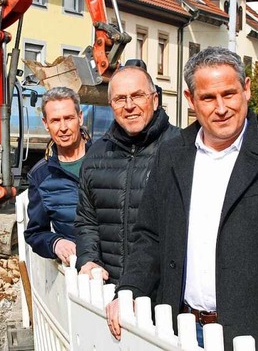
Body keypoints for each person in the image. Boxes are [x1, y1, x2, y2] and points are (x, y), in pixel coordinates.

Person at [106, 46, 258, 350]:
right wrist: (129, 290)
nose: (221, 107)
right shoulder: (172, 154)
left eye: (229, 93)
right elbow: (149, 235)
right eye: (208, 98)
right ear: (191, 100)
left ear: (246, 89)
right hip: (181, 329)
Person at [74, 66, 180, 284]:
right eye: (120, 99)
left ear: (155, 99)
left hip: (165, 293)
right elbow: (87, 220)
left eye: (138, 96)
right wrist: (89, 258)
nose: (129, 106)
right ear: (111, 105)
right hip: (110, 289)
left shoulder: (182, 149)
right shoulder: (96, 156)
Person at [24, 87, 91, 265]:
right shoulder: (40, 176)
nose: (63, 128)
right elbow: (35, 233)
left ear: (80, 117)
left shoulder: (106, 159)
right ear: (46, 124)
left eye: (68, 118)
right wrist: (56, 243)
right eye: (55, 120)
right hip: (77, 271)